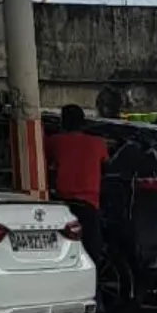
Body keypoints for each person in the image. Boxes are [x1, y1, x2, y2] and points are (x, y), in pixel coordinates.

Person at [44, 104, 109, 271]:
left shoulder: (54, 142)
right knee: (91, 254)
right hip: (89, 205)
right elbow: (106, 165)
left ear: (63, 123)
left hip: (62, 205)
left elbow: (44, 160)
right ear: (83, 123)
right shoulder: (98, 143)